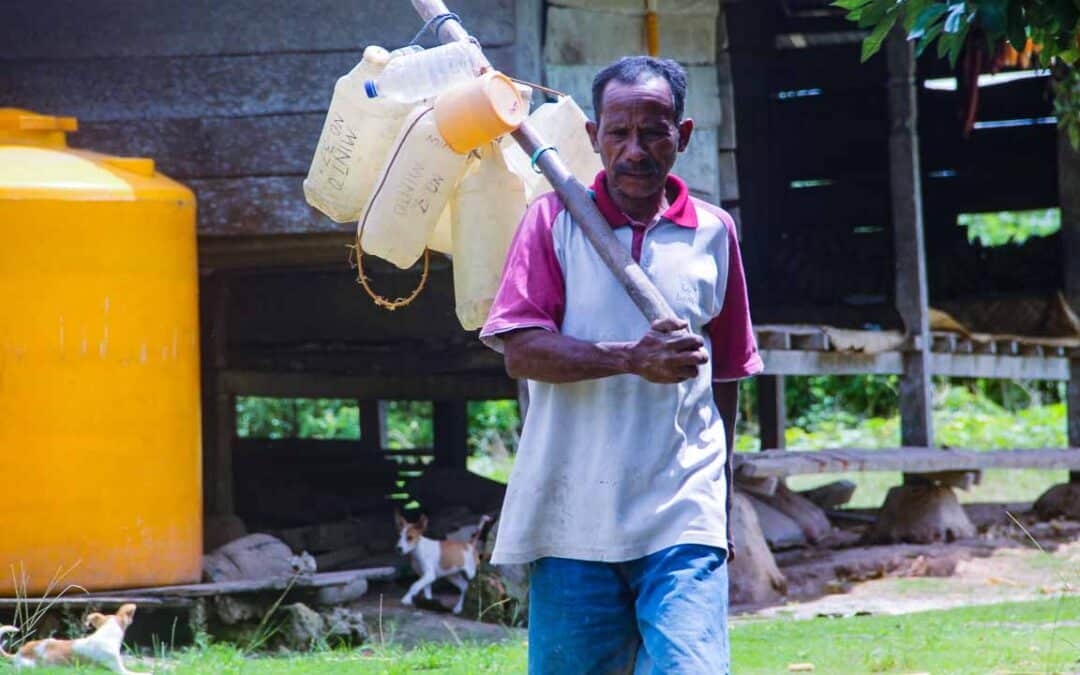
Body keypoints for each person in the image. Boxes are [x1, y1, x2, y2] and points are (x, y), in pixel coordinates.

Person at [480, 56, 763, 674]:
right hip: (572, 515)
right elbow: (521, 351)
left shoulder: (714, 234)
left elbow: (728, 376)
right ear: (593, 138)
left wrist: (721, 503)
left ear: (682, 137)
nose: (635, 150)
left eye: (654, 131)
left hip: (681, 509)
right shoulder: (552, 222)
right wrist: (630, 358)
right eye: (618, 132)